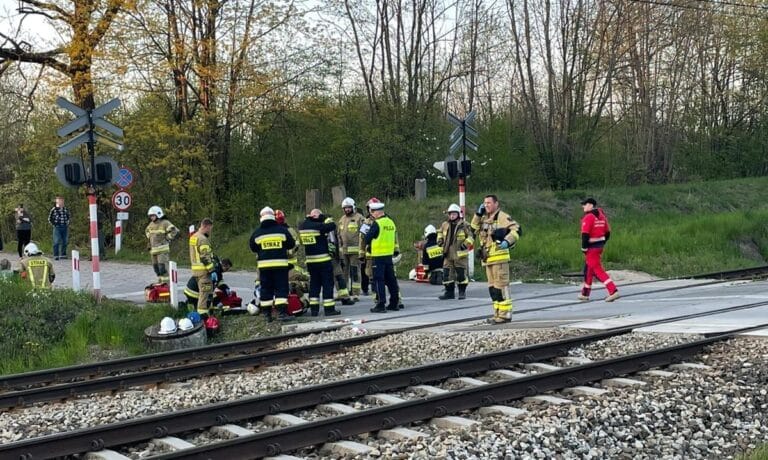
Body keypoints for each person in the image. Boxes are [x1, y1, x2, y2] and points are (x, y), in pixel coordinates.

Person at [470, 194, 521, 324]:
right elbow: (472, 229)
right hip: (488, 260)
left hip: (500, 259)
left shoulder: (502, 217)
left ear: (496, 204)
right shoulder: (484, 219)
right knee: (493, 289)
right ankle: (497, 313)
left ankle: (505, 315)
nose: (486, 205)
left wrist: (507, 241)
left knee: (501, 288)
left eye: (489, 203)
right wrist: (478, 214)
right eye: (485, 203)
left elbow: (516, 230)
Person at [250, 207, 296, 321]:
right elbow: (291, 244)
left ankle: (267, 315)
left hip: (264, 267)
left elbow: (253, 247)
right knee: (281, 288)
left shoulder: (257, 233)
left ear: (261, 218)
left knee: (266, 289)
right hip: (280, 266)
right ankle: (282, 314)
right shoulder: (282, 230)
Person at [299, 209, 342, 316]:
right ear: (316, 217)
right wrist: (327, 219)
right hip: (323, 260)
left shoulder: (303, 226)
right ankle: (329, 309)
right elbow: (332, 226)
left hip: (310, 261)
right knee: (327, 284)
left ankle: (314, 310)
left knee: (314, 285)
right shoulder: (318, 226)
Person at [579, 197, 620, 302]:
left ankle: (613, 291)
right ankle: (585, 293)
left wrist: (584, 248)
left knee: (598, 270)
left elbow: (585, 235)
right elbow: (608, 232)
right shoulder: (602, 216)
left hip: (591, 248)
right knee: (588, 269)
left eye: (585, 204)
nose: (583, 206)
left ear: (591, 205)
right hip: (599, 247)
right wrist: (602, 243)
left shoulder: (588, 217)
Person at [365, 201, 401, 313]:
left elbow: (367, 238)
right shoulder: (391, 222)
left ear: (377, 212)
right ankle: (394, 303)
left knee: (378, 280)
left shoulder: (377, 223)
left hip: (378, 256)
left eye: (372, 212)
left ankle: (381, 304)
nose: (371, 214)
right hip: (388, 255)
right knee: (391, 280)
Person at [437, 203, 474, 300]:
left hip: (460, 255)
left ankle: (462, 292)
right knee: (447, 274)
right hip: (447, 253)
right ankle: (449, 293)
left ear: (458, 214)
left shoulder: (464, 225)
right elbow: (440, 233)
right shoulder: (445, 225)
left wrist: (465, 245)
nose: (452, 216)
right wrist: (439, 241)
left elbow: (471, 237)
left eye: (454, 214)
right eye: (450, 214)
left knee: (461, 274)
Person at [338, 197, 365, 301]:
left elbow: (364, 234)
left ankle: (355, 293)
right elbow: (338, 234)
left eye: (349, 207)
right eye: (345, 208)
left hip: (355, 251)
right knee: (343, 272)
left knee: (355, 272)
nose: (347, 210)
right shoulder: (342, 219)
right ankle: (344, 293)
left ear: (353, 207)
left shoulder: (360, 218)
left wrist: (362, 249)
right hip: (343, 251)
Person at [145, 206, 180, 284]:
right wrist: (150, 240)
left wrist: (167, 238)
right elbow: (147, 231)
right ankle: (160, 283)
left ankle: (166, 284)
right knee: (156, 269)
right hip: (153, 251)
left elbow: (175, 231)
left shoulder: (165, 223)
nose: (151, 217)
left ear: (158, 214)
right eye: (150, 216)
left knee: (163, 268)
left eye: (153, 215)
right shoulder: (151, 224)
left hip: (162, 250)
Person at [189, 218, 216, 316]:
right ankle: (203, 316)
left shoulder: (193, 237)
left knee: (201, 294)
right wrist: (212, 270)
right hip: (204, 272)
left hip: (196, 271)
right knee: (205, 295)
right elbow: (205, 256)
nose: (210, 231)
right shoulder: (203, 239)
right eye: (210, 229)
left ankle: (203, 313)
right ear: (205, 226)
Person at [48, 196, 71, 260]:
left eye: (62, 201)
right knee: (56, 241)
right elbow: (49, 218)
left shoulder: (65, 209)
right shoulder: (54, 209)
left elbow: (68, 216)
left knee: (65, 241)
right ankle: (56, 255)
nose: (61, 202)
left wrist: (67, 222)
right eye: (60, 201)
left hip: (65, 226)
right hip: (57, 227)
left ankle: (63, 254)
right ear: (57, 202)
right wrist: (54, 224)